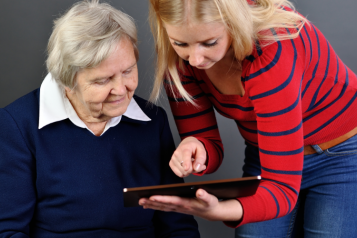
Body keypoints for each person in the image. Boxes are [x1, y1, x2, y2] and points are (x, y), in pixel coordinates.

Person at [139, 0, 357, 237]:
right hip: (266, 154)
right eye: (180, 43)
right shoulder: (178, 60)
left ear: (233, 23)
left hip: (340, 155)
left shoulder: (273, 49)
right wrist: (196, 146)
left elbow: (282, 190)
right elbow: (208, 144)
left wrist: (220, 210)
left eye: (209, 43)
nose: (195, 60)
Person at [0, 1, 201, 237]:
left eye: (128, 71)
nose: (121, 89)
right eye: (103, 80)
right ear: (67, 80)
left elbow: (179, 226)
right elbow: (8, 230)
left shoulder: (153, 122)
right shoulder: (18, 126)